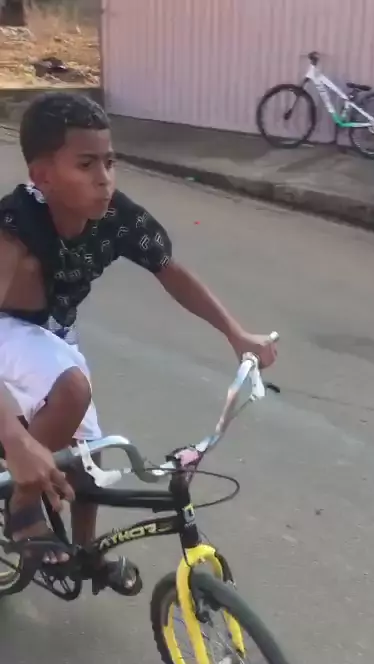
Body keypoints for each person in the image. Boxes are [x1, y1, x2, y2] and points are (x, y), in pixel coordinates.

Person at [0, 92, 277, 592]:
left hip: (53, 333)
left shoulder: (117, 217)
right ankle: (22, 506)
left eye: (110, 162)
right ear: (42, 176)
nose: (104, 178)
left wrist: (236, 333)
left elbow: (170, 271)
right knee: (72, 388)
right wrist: (16, 441)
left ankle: (84, 554)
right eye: (86, 164)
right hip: (6, 325)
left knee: (89, 455)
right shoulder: (14, 229)